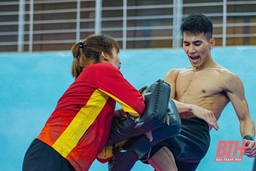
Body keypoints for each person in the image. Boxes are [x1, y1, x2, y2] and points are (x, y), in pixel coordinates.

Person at [145, 13, 256, 171]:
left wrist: (249, 138)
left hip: (195, 135)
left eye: (197, 43)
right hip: (172, 130)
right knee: (142, 134)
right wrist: (192, 107)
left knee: (149, 135)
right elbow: (162, 106)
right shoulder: (174, 74)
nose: (191, 50)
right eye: (186, 43)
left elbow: (245, 118)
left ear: (211, 43)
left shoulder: (226, 78)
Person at [22, 34, 146, 171]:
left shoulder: (95, 92)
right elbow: (137, 106)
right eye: (116, 53)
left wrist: (116, 115)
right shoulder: (101, 69)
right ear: (105, 55)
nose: (119, 60)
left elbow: (102, 155)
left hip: (60, 158)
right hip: (54, 155)